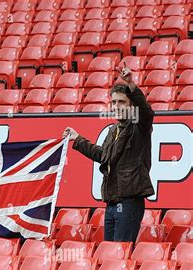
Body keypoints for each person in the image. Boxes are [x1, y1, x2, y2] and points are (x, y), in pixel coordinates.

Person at [63, 66, 155, 243]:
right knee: (109, 254)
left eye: (121, 102)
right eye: (113, 102)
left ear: (131, 105)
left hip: (129, 203)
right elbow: (102, 155)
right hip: (111, 203)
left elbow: (146, 112)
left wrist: (131, 84)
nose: (116, 106)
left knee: (119, 253)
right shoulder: (113, 130)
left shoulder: (139, 126)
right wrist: (78, 139)